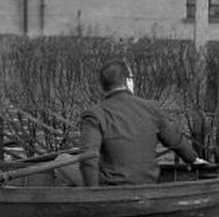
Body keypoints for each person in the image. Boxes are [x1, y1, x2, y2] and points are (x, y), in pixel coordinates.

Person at [79, 59, 210, 186]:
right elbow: (176, 141)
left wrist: (93, 193)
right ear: (128, 81)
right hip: (148, 184)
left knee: (64, 163)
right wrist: (193, 159)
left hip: (112, 189)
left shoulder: (95, 114)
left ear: (103, 87)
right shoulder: (151, 108)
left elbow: (88, 158)